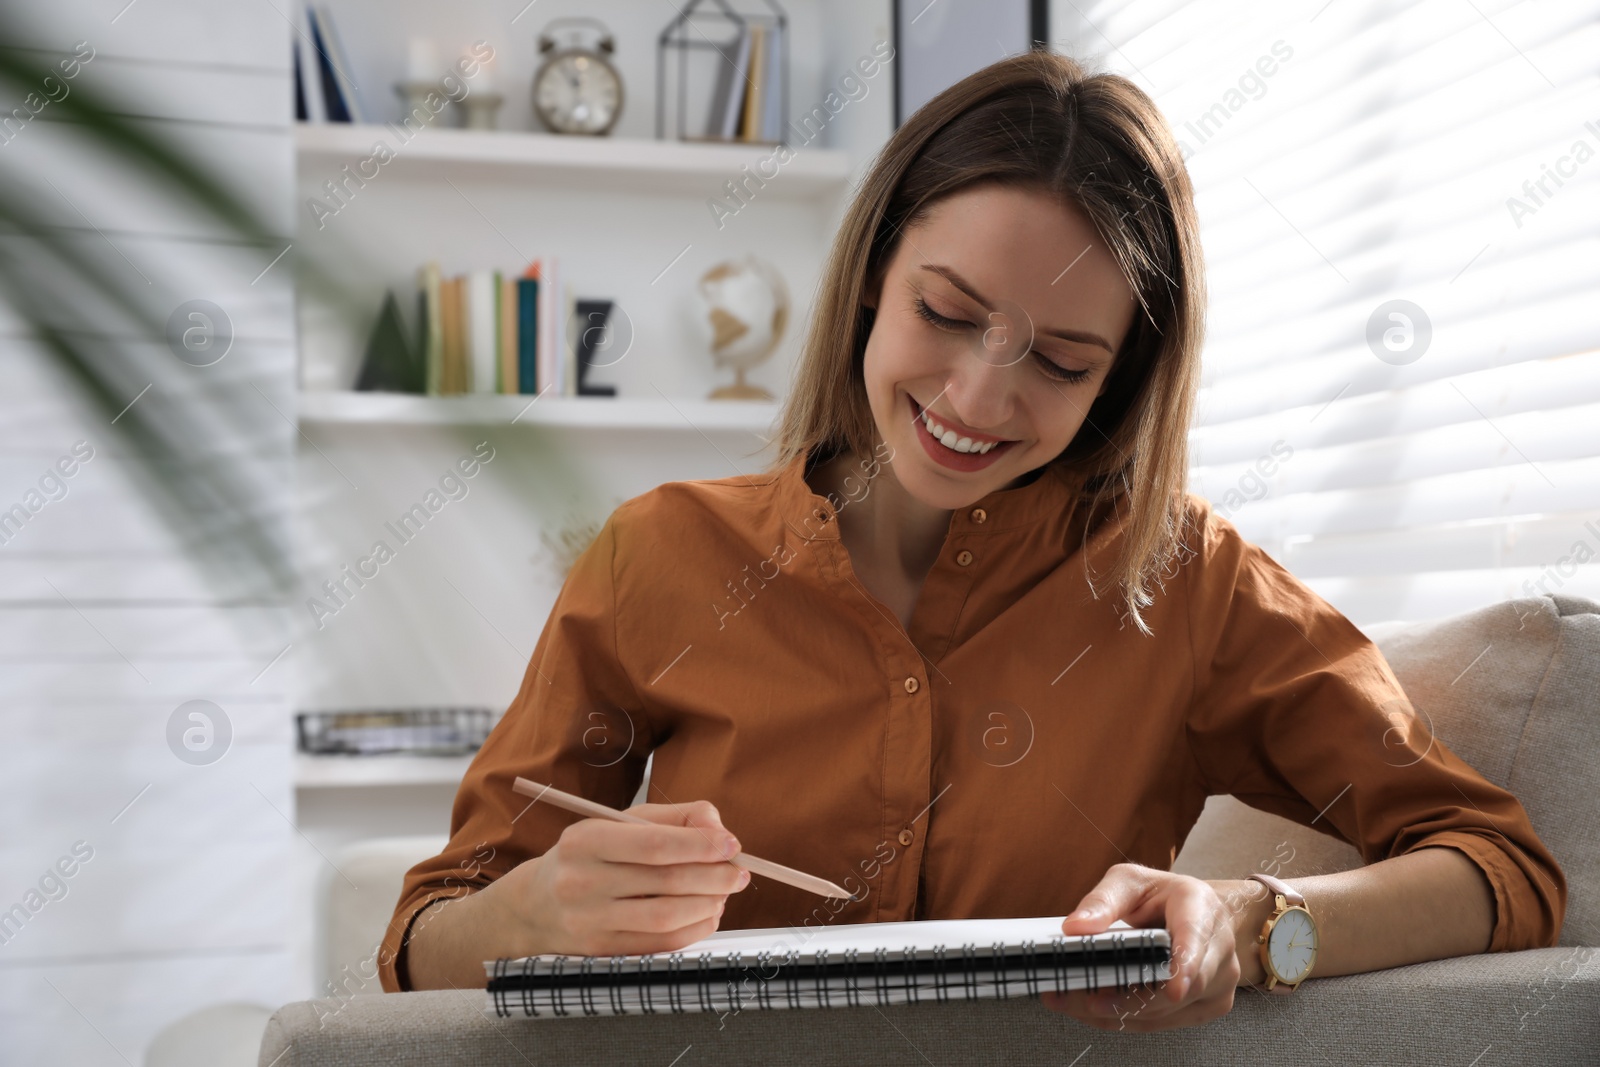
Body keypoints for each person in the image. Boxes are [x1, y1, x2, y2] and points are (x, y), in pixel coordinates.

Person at [378, 51, 1564, 1030]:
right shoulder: (657, 556)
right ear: (869, 280)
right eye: (943, 314)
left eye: (1059, 361)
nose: (980, 399)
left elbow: (1499, 869)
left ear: (1122, 382)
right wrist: (533, 916)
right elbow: (426, 933)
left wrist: (1248, 922)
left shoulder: (1190, 584)